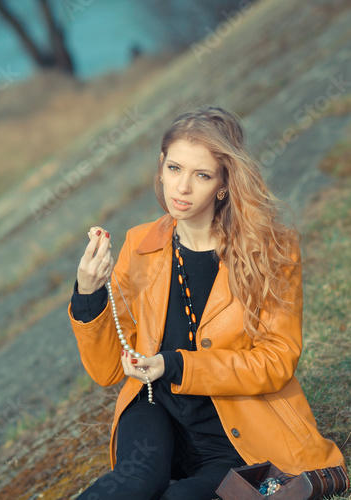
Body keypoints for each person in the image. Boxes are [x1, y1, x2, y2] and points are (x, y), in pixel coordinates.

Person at [67, 106, 345, 499]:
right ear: (161, 166)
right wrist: (89, 293)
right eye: (175, 168)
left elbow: (276, 360)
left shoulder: (271, 250)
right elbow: (110, 368)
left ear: (223, 184)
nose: (181, 188)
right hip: (154, 406)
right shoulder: (140, 245)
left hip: (236, 429)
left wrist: (177, 364)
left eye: (201, 175)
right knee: (133, 484)